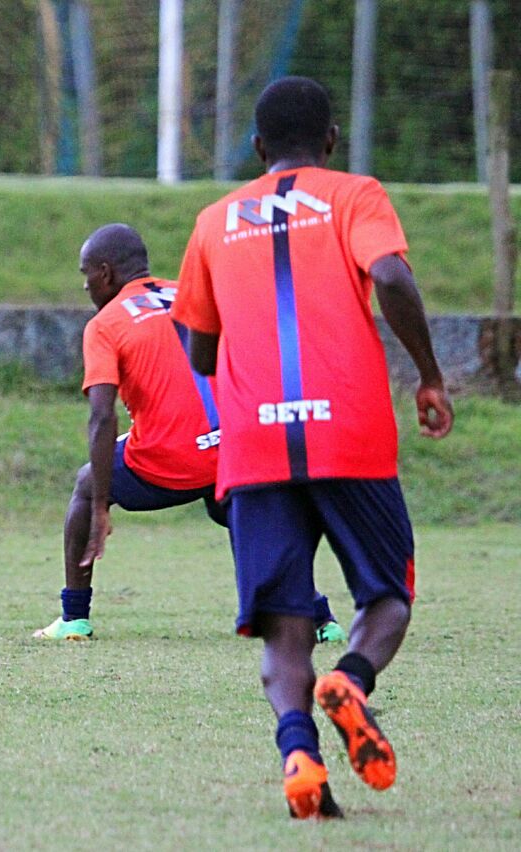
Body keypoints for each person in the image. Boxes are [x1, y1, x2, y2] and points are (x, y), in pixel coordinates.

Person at [171, 77, 454, 819]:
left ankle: (298, 754)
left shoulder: (212, 221)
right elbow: (390, 272)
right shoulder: (356, 195)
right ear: (331, 139)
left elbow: (199, 352)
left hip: (255, 443)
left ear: (258, 147)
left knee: (283, 626)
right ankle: (352, 681)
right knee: (388, 596)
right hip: (348, 430)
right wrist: (428, 374)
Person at [33, 224, 342, 644]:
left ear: (104, 273)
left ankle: (73, 618)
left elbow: (102, 418)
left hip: (170, 462)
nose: (85, 285)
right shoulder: (195, 293)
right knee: (233, 508)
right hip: (237, 448)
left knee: (87, 484)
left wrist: (103, 503)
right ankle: (321, 619)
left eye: (85, 274)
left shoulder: (105, 324)